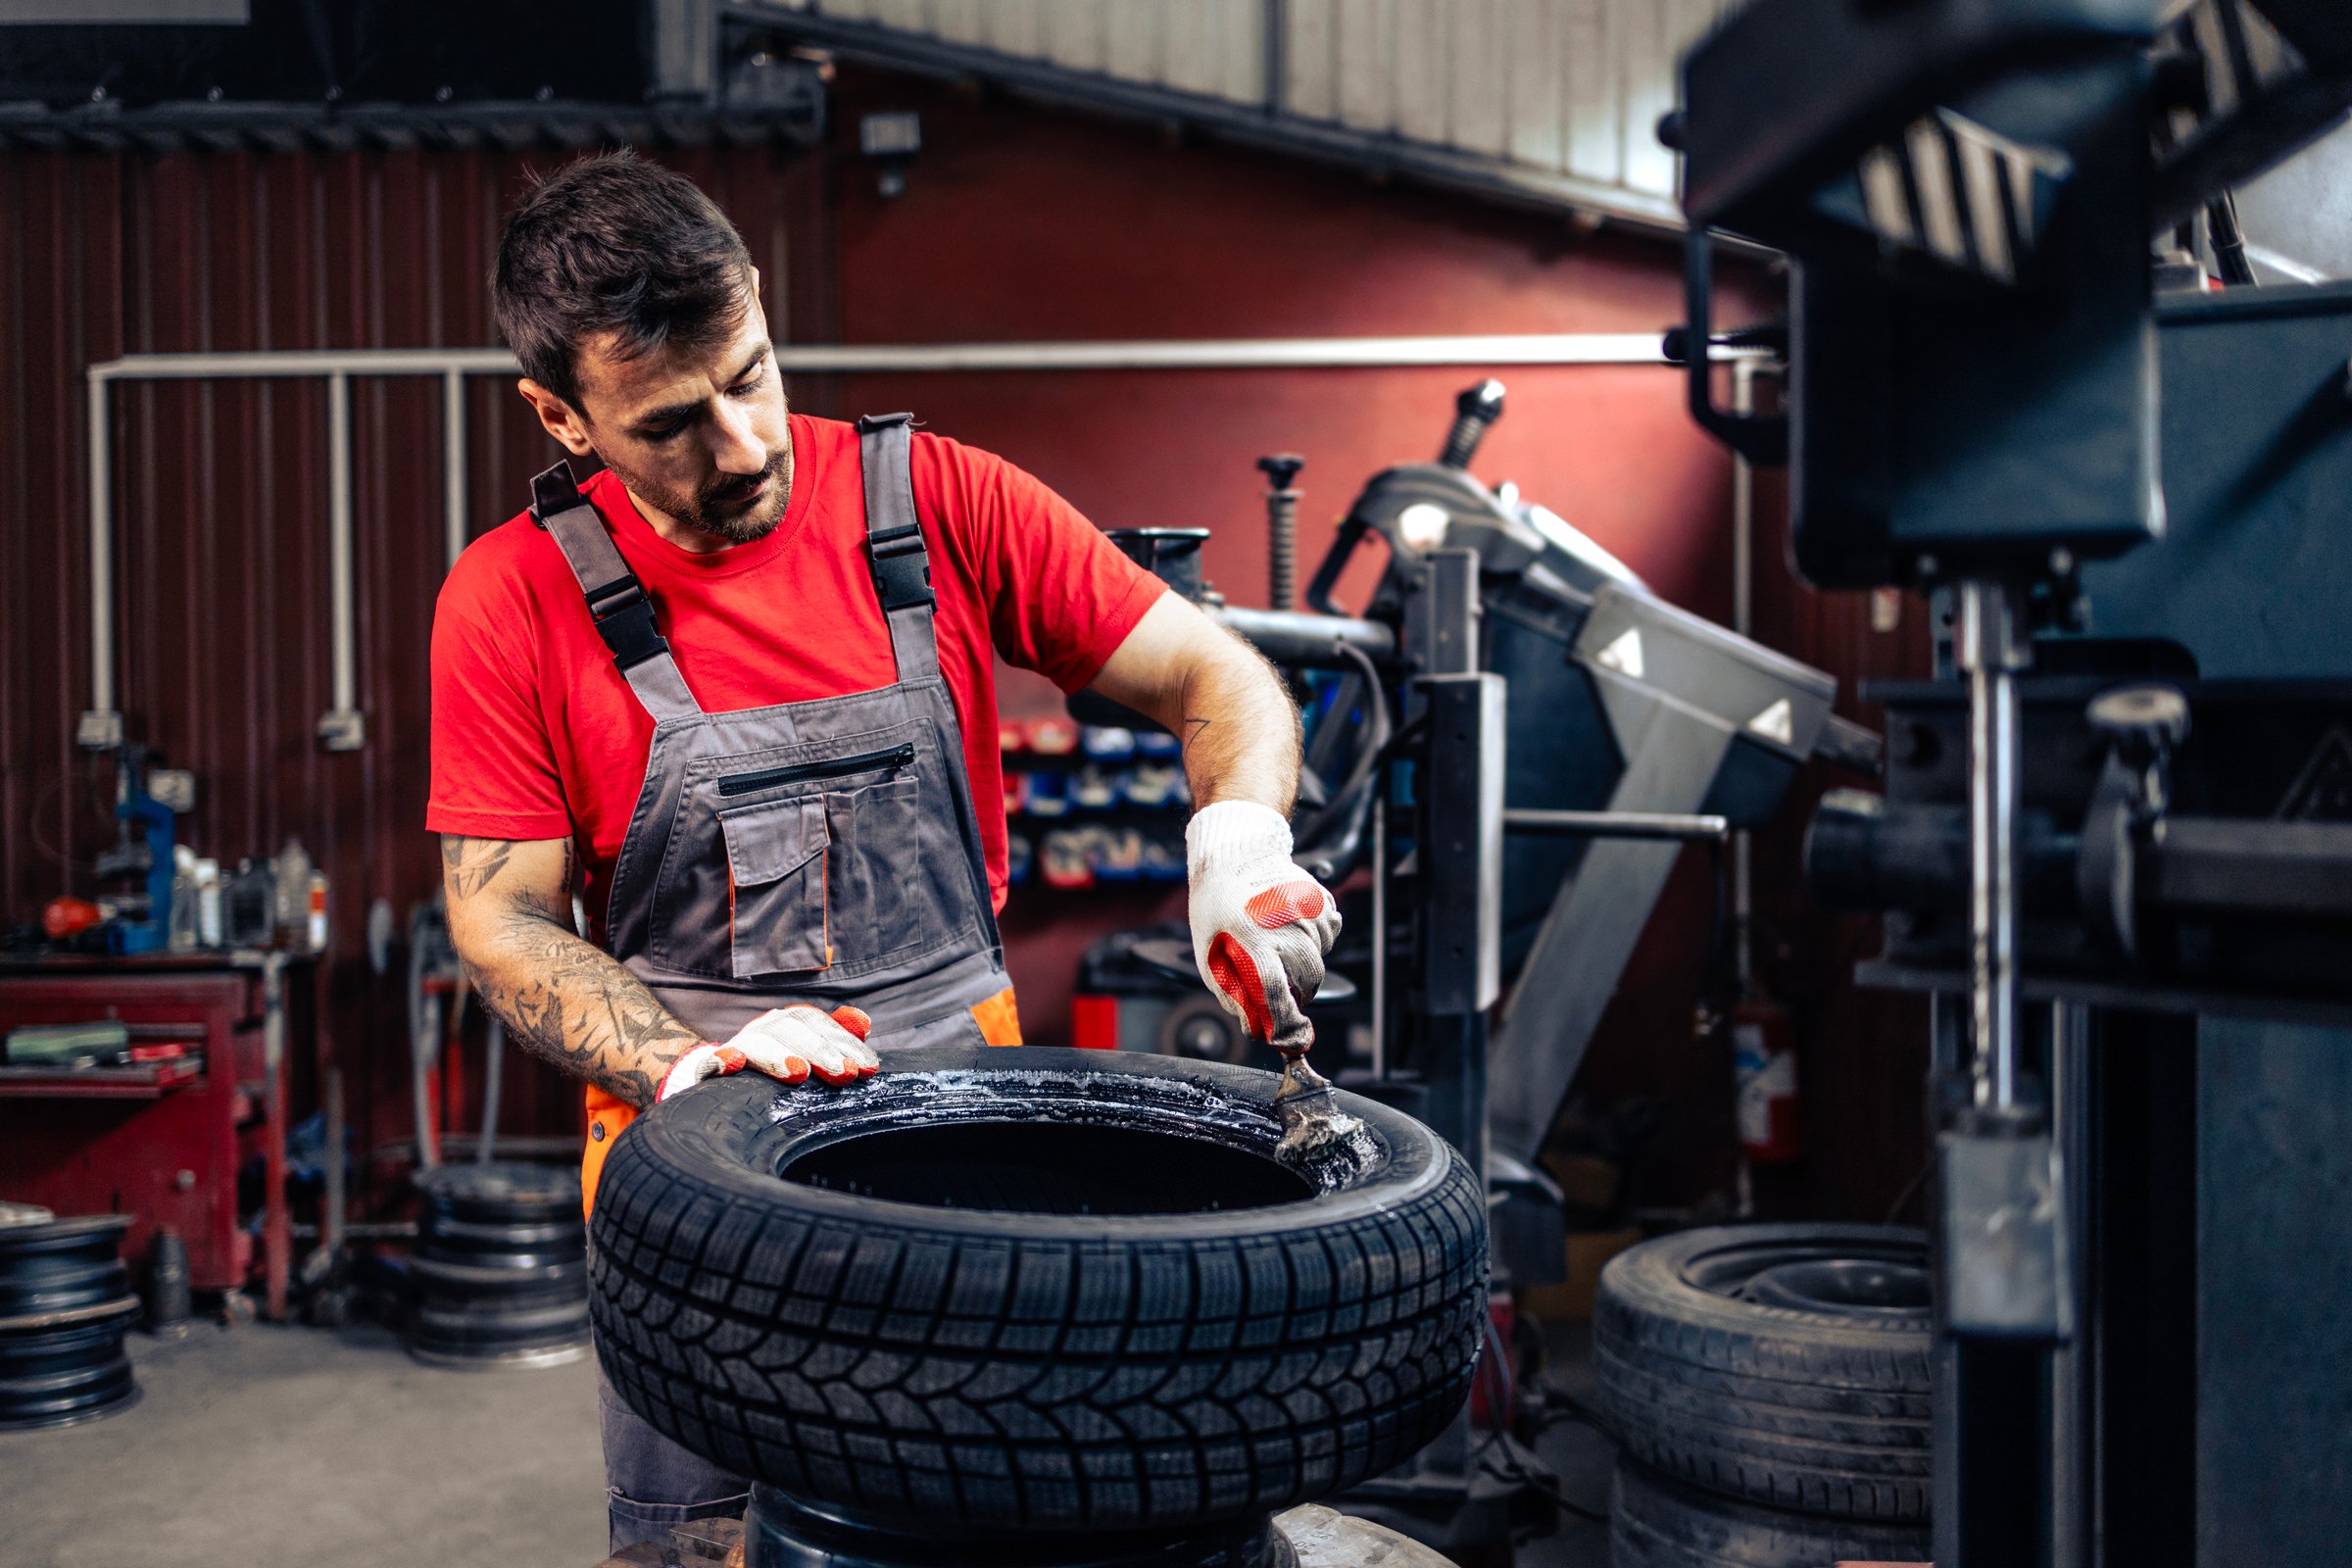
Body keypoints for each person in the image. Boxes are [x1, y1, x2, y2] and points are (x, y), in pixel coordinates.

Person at [425, 150, 1340, 1552]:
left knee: (1001, 1529)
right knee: (720, 1544)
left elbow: (1217, 678)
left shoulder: (937, 503)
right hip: (699, 1200)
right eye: (672, 422)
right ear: (560, 414)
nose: (739, 447)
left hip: (975, 1164)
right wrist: (689, 1063)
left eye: (751, 374)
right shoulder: (511, 601)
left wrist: (1234, 838)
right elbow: (501, 918)